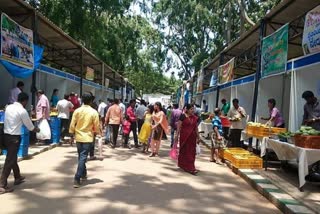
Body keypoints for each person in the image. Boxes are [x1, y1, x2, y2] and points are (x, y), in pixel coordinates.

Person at [0, 93, 40, 194]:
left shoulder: (8, 107)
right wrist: (37, 129)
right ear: (25, 101)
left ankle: (17, 177)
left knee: (12, 157)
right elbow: (30, 127)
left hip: (5, 136)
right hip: (14, 138)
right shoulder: (22, 111)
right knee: (10, 160)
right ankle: (2, 185)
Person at [69, 93, 100, 188]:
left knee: (81, 156)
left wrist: (71, 133)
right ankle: (77, 178)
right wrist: (96, 133)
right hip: (88, 137)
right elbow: (96, 126)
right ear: (91, 101)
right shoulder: (94, 112)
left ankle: (83, 173)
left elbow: (72, 123)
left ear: (82, 100)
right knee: (82, 157)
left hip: (78, 137)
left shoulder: (77, 111)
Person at [175, 104, 200, 175]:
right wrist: (176, 136)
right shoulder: (182, 116)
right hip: (184, 137)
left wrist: (198, 137)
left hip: (192, 137)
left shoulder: (195, 117)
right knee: (184, 151)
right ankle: (186, 166)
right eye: (191, 109)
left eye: (193, 109)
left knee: (191, 152)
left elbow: (196, 128)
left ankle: (191, 167)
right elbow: (179, 127)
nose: (193, 110)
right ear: (187, 109)